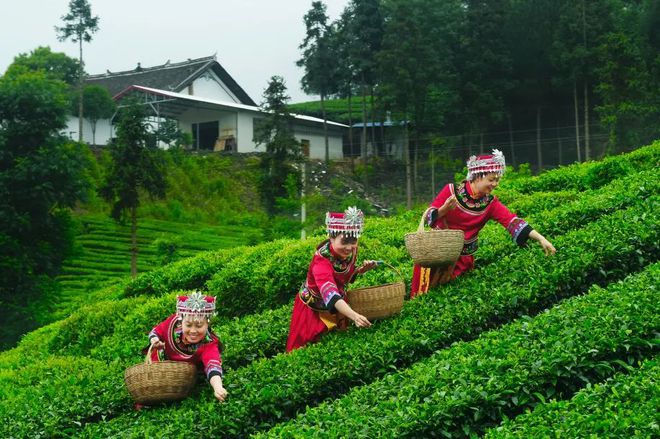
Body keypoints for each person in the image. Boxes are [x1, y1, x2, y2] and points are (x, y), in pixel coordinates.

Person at [410, 149, 556, 298]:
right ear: (477, 176)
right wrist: (443, 210)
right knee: (423, 298)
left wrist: (541, 238)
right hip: (435, 255)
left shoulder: (490, 203)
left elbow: (512, 221)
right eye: (491, 179)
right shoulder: (451, 190)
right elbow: (428, 216)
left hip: (462, 262)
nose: (495, 184)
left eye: (497, 180)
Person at [286, 206, 379, 352]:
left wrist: (360, 271)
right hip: (314, 310)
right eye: (344, 242)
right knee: (310, 349)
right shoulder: (321, 262)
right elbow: (331, 295)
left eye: (353, 241)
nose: (349, 247)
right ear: (331, 238)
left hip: (339, 306)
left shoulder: (352, 250)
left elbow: (344, 277)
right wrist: (354, 316)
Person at [146, 291, 228, 403]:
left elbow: (213, 366)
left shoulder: (209, 343)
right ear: (181, 321)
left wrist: (218, 387)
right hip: (161, 367)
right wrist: (154, 340)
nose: (193, 331)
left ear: (207, 324)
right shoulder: (172, 323)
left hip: (184, 377)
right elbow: (155, 331)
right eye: (188, 325)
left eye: (199, 326)